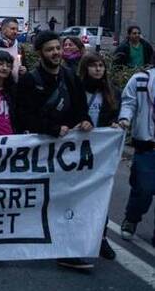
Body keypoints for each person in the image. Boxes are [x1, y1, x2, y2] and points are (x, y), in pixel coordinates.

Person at [15, 30, 93, 271]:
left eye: (58, 48)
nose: (56, 53)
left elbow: (80, 108)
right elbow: (21, 116)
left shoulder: (70, 78)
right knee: (42, 201)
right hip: (40, 153)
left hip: (66, 154)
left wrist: (86, 121)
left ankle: (67, 250)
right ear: (40, 53)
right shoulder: (30, 81)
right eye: (50, 50)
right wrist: (51, 128)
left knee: (67, 201)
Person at [78, 52, 119, 260]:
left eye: (101, 66)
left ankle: (101, 238)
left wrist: (116, 124)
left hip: (101, 153)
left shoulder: (112, 91)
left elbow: (116, 114)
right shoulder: (76, 89)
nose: (98, 69)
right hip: (77, 152)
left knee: (100, 195)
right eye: (93, 65)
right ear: (85, 68)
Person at [116, 61, 155, 247]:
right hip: (147, 145)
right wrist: (125, 119)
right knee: (143, 188)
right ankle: (131, 218)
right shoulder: (140, 80)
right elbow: (129, 102)